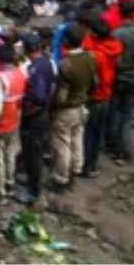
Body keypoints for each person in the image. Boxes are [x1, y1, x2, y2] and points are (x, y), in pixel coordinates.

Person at [49, 25, 96, 192]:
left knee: (62, 144)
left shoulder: (65, 64)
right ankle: (75, 170)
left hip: (66, 109)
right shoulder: (90, 57)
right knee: (77, 140)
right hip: (82, 105)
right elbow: (94, 83)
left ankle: (61, 178)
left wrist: (53, 107)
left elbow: (60, 95)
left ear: (66, 41)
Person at [15, 32, 56, 205]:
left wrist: (26, 112)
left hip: (35, 118)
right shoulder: (47, 62)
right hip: (43, 114)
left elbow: (37, 98)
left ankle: (33, 191)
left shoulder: (35, 69)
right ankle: (33, 185)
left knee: (33, 154)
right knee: (34, 152)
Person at [109, 0, 134, 165]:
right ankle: (123, 149)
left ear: (120, 13)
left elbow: (114, 58)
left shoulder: (117, 34)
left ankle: (120, 150)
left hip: (120, 77)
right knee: (127, 114)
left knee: (118, 114)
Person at [81, 14, 122, 178]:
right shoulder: (113, 46)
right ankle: (92, 165)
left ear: (96, 34)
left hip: (95, 96)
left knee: (88, 132)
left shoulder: (96, 55)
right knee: (97, 132)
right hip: (107, 93)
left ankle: (85, 165)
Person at [0, 43, 24, 200]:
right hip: (15, 120)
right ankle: (9, 183)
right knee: (10, 153)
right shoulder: (20, 74)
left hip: (1, 124)